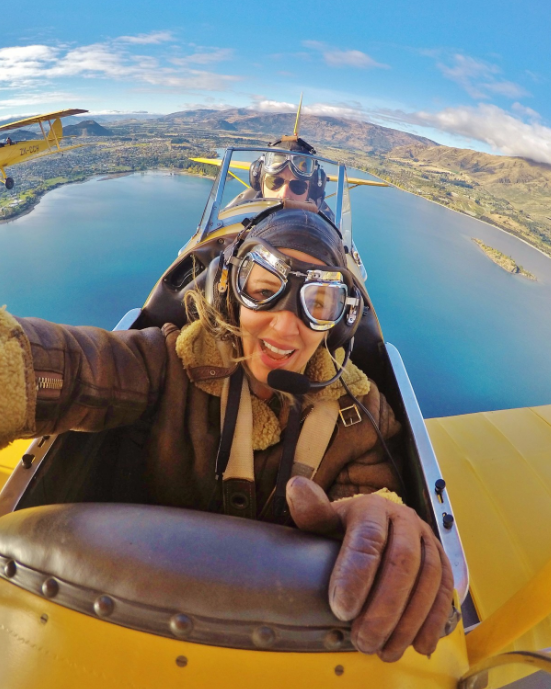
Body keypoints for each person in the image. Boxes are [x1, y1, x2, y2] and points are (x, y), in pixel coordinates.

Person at [0, 206, 453, 662]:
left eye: (317, 303)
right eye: (263, 289)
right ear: (229, 290)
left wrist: (384, 518)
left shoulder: (362, 413)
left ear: (340, 321)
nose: (284, 325)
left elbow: (374, 494)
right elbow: (79, 367)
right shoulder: (164, 363)